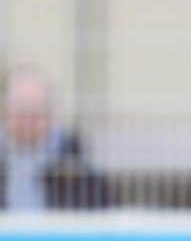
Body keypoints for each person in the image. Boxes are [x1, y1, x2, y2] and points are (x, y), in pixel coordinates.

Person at [0, 65, 109, 211]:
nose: (27, 119)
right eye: (20, 110)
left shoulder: (77, 166)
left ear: (51, 114)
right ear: (5, 112)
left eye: (36, 110)